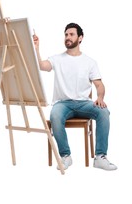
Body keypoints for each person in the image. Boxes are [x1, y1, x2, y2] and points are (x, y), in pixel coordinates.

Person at [33, 23, 117, 171]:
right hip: (62, 103)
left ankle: (100, 157)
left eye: (71, 34)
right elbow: (41, 65)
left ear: (80, 38)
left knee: (103, 111)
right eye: (66, 35)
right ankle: (66, 156)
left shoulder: (89, 62)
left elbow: (99, 85)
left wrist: (100, 97)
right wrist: (36, 48)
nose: (68, 37)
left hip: (84, 103)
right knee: (55, 115)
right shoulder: (57, 59)